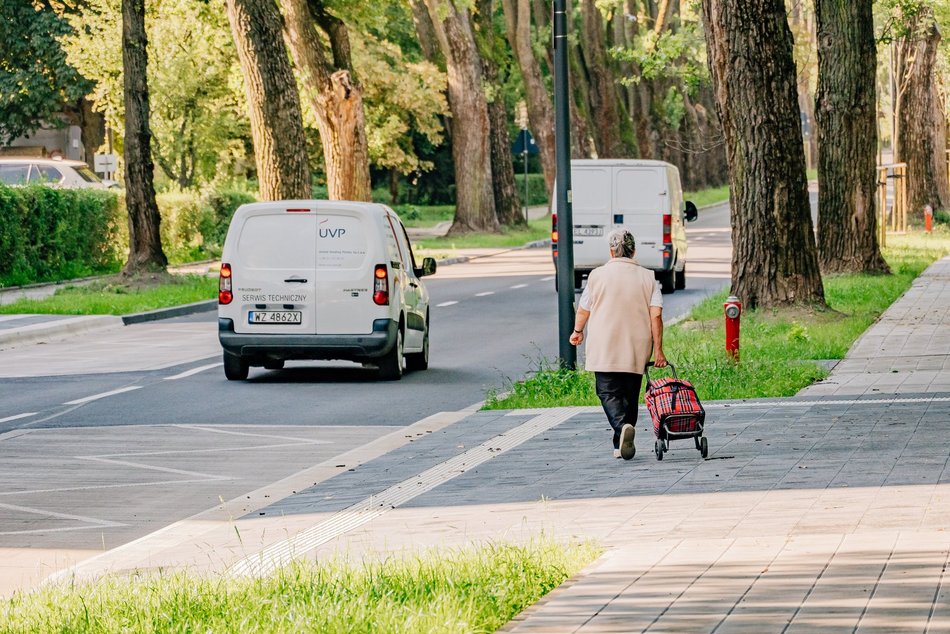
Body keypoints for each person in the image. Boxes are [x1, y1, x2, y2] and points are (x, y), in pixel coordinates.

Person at [569, 229, 667, 460]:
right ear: (633, 250)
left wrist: (577, 331)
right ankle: (620, 441)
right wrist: (659, 350)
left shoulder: (596, 276)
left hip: (604, 343)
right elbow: (656, 316)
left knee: (607, 391)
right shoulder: (648, 277)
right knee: (630, 394)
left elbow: (584, 309)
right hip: (637, 345)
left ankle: (621, 427)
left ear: (611, 251)